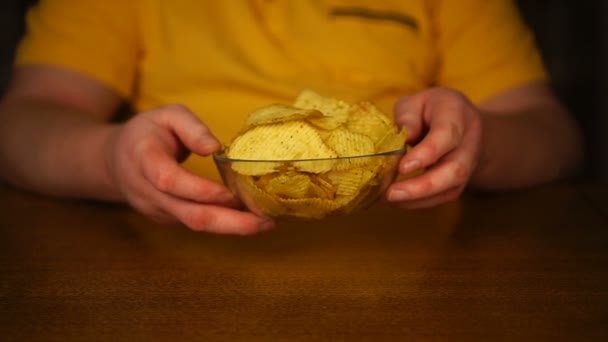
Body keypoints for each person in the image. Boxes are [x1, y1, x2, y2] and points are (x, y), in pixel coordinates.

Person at [0, 0, 583, 235]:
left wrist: (482, 142)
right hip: (178, 277)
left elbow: (554, 135)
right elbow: (23, 123)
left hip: (424, 283)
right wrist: (108, 160)